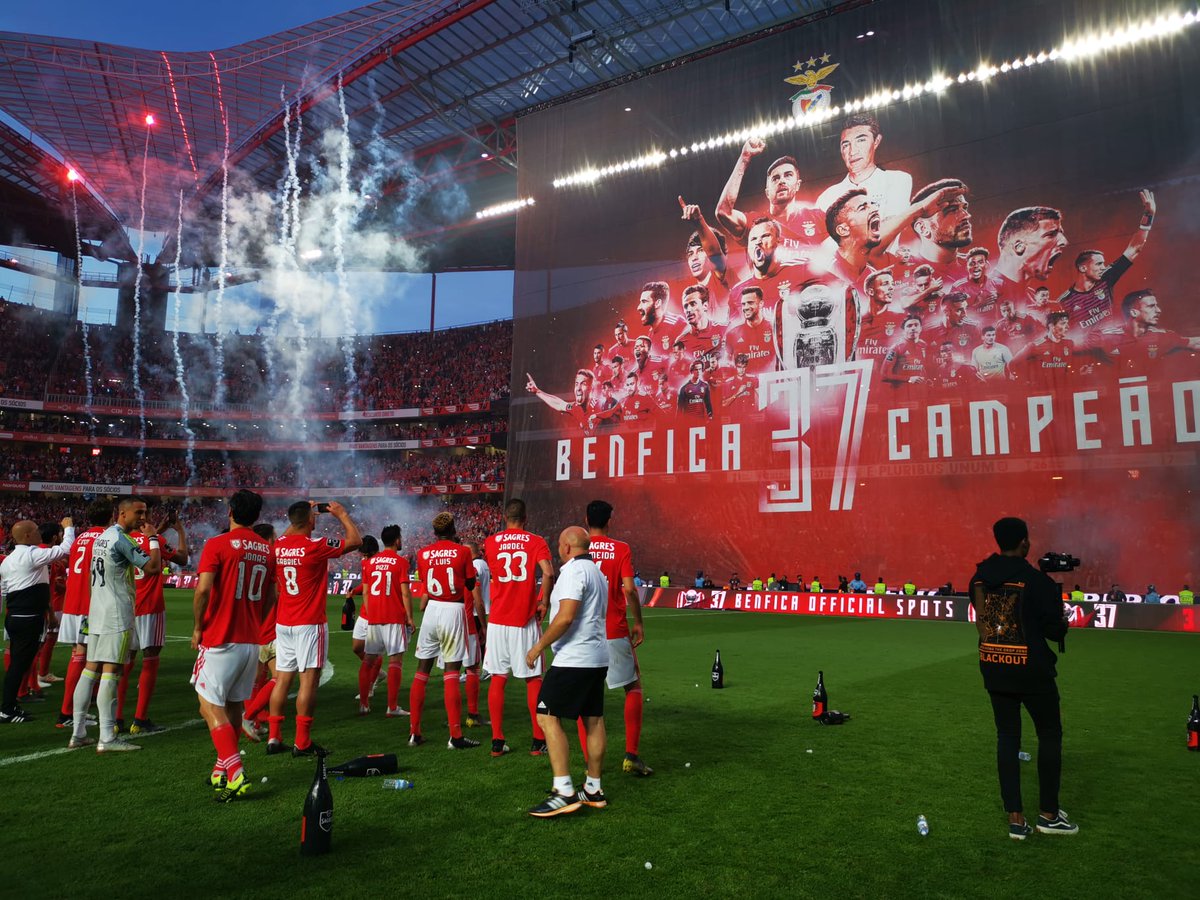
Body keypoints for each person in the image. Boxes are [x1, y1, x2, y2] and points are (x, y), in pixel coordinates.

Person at [970, 516, 1077, 840]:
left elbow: (981, 615)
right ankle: (1048, 814)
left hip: (993, 663)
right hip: (1031, 670)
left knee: (1007, 738)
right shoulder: (1037, 581)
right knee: (1049, 734)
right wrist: (1064, 621)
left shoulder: (979, 577)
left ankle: (1016, 819)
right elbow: (1052, 628)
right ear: (1025, 543)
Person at [190, 490, 273, 801]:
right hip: (250, 641)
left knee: (208, 705)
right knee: (234, 705)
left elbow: (203, 590)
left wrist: (198, 627)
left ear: (230, 511)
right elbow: (271, 598)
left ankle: (235, 772)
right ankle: (221, 767)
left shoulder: (217, 544)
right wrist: (255, 621)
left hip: (220, 638)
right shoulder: (267, 549)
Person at [526, 526, 610, 817]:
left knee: (546, 716)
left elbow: (566, 617)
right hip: (598, 656)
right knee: (594, 720)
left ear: (566, 547)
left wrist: (538, 647)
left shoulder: (574, 572)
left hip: (575, 658)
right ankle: (593, 789)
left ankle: (563, 791)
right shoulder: (598, 573)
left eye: (559, 544)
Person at [268, 500, 362, 756]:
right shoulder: (315, 546)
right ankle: (302, 742)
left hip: (284, 622)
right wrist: (341, 514)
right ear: (311, 520)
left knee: (282, 679)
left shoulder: (279, 546)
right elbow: (355, 541)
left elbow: (291, 532)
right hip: (309, 623)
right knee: (309, 679)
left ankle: (274, 738)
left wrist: (299, 516)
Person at [70, 497, 161, 751]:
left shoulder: (102, 537)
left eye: (145, 512)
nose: (143, 518)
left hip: (96, 611)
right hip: (116, 614)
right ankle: (107, 737)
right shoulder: (122, 539)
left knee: (90, 672)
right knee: (111, 673)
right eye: (138, 512)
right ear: (122, 513)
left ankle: (78, 733)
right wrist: (153, 538)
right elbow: (153, 567)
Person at [584, 500, 652, 777]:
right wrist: (638, 622)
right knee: (633, 687)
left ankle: (589, 759)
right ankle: (631, 755)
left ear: (586, 520)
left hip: (584, 633)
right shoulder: (620, 548)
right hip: (613, 629)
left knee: (586, 695)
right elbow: (630, 590)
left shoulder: (577, 545)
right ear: (609, 521)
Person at [483, 499, 554, 756]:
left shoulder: (490, 542)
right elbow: (548, 572)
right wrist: (543, 601)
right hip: (523, 620)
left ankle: (497, 742)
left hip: (498, 621)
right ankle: (537, 741)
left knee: (498, 677)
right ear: (526, 517)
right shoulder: (535, 541)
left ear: (504, 517)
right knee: (533, 678)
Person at [409, 512, 480, 750]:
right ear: (453, 529)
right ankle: (455, 736)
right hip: (453, 609)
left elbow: (426, 582)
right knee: (452, 671)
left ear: (434, 532)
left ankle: (414, 733)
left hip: (431, 611)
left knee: (422, 669)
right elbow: (470, 584)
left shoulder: (423, 553)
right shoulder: (462, 551)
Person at [0, 517, 74, 724]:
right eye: (34, 530)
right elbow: (65, 549)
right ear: (26, 536)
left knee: (19, 663)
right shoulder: (32, 554)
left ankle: (11, 705)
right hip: (28, 618)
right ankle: (7, 709)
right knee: (19, 665)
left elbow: (6, 590)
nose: (38, 533)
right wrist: (68, 528)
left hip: (16, 616)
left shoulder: (9, 560)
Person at [1056, 190, 1155, 334]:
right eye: (1098, 264)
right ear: (1083, 268)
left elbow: (1135, 248)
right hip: (1086, 353)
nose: (1103, 267)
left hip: (1112, 347)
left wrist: (1149, 213)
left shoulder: (1106, 279)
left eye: (1103, 264)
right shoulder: (1064, 301)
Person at [127, 512, 189, 735]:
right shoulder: (156, 541)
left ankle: (115, 720)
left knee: (125, 662)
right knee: (151, 659)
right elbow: (183, 558)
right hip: (150, 607)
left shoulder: (122, 539)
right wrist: (179, 530)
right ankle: (140, 719)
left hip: (127, 608)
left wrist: (159, 531)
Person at [55, 498, 112, 729]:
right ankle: (67, 713)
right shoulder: (105, 538)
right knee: (87, 658)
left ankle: (75, 711)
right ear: (111, 516)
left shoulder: (80, 538)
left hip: (73, 602)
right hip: (90, 604)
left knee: (81, 656)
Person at [816, 113, 913, 220]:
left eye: (861, 140)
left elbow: (891, 228)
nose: (852, 152)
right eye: (846, 145)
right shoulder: (827, 196)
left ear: (876, 141)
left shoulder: (896, 180)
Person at [363, 526, 414, 718]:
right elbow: (405, 593)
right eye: (400, 537)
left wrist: (370, 612)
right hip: (394, 616)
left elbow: (366, 592)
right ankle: (392, 707)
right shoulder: (400, 562)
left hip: (374, 617)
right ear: (396, 540)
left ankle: (363, 704)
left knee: (368, 660)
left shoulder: (370, 562)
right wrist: (409, 618)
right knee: (395, 660)